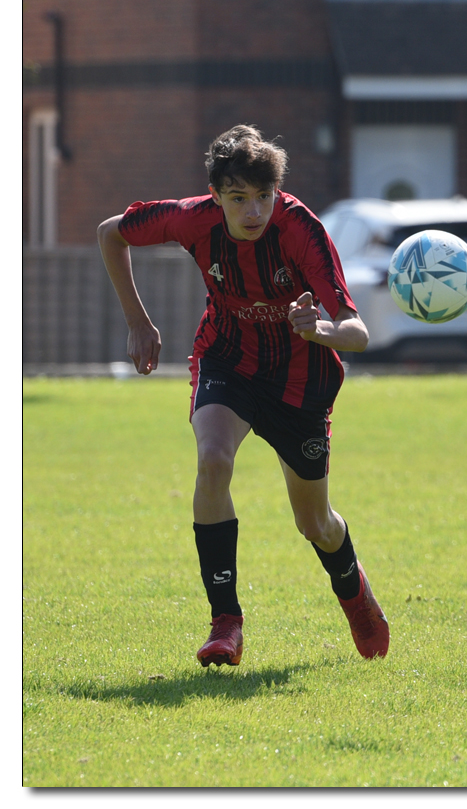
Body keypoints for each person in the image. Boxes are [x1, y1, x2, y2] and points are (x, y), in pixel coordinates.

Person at [97, 125, 389, 667]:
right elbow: (111, 232)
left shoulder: (301, 229)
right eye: (238, 199)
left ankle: (355, 596)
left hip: (301, 379)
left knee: (315, 524)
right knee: (212, 460)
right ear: (216, 196)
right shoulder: (190, 218)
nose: (253, 210)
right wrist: (138, 321)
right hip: (227, 359)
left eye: (263, 196)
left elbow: (358, 332)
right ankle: (225, 622)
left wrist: (319, 330)